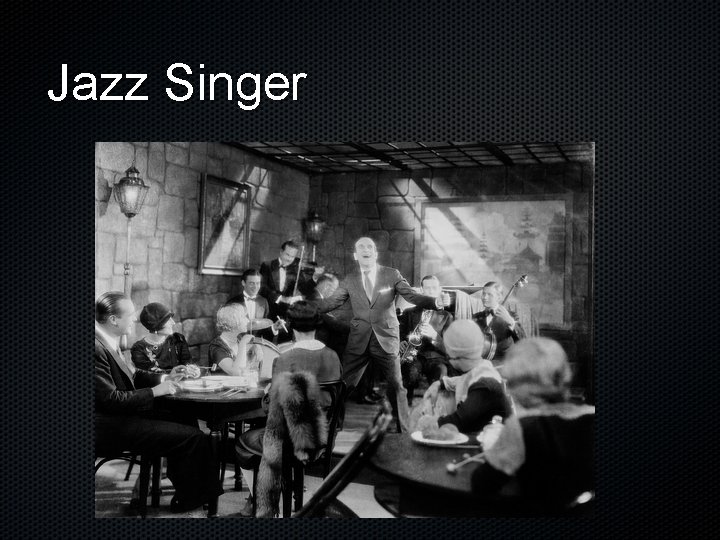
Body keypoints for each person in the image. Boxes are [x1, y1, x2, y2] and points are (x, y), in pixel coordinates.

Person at [94, 291, 219, 513]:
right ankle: (194, 499)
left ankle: (189, 492)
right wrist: (154, 391)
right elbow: (111, 400)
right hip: (111, 426)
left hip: (122, 416)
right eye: (130, 315)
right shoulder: (97, 347)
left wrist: (166, 378)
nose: (135, 319)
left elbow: (132, 377)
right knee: (193, 437)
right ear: (113, 319)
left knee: (185, 417)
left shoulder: (106, 340)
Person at [316, 237, 449, 432]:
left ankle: (404, 433)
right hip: (359, 340)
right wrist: (304, 306)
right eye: (361, 247)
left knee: (397, 386)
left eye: (370, 246)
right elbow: (331, 302)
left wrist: (434, 302)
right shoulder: (350, 279)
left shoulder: (391, 274)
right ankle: (332, 429)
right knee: (343, 385)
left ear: (376, 253)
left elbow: (411, 295)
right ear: (356, 255)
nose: (366, 249)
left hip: (386, 340)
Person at [234, 301, 343, 515]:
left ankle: (259, 503)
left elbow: (272, 412)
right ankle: (265, 500)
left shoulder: (286, 359)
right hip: (324, 437)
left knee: (243, 442)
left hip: (292, 442)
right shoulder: (333, 355)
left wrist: (268, 393)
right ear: (317, 325)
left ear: (291, 326)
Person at [471, 337, 595, 513]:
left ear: (524, 385)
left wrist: (497, 451)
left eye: (511, 382)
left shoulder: (522, 427)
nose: (509, 389)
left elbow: (482, 484)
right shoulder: (592, 414)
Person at [413, 320, 512, 433]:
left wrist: (427, 423)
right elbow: (460, 380)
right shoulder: (480, 369)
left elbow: (459, 421)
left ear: (456, 357)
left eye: (448, 355)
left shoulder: (485, 385)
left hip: (492, 440)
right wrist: (438, 384)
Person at [399, 275, 456, 405]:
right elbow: (400, 334)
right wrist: (401, 342)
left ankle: (436, 408)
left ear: (439, 290)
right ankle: (405, 407)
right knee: (410, 373)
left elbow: (449, 347)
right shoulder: (408, 312)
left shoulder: (447, 316)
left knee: (441, 373)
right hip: (414, 356)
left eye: (434, 288)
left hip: (436, 359)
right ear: (421, 290)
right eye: (427, 288)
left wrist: (434, 336)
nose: (431, 291)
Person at [259, 240, 323, 318]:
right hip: (269, 311)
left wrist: (314, 277)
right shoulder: (267, 265)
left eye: (292, 257)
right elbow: (262, 288)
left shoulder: (296, 269)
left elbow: (304, 289)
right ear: (281, 252)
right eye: (287, 255)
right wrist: (281, 298)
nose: (289, 259)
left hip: (288, 313)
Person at [472, 281, 525, 364]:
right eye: (483, 294)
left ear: (499, 297)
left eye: (489, 294)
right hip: (481, 362)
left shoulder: (512, 316)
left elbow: (523, 341)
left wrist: (511, 322)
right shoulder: (476, 317)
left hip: (504, 363)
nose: (485, 297)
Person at [130, 302, 193, 371]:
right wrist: (169, 375)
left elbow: (187, 364)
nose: (173, 322)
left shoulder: (178, 340)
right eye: (168, 320)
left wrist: (191, 369)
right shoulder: (139, 349)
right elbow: (147, 375)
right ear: (156, 326)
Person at [225, 268, 276, 341]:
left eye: (258, 283)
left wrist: (274, 328)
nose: (255, 287)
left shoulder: (263, 302)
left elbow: (265, 328)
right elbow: (228, 330)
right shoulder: (232, 303)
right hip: (237, 344)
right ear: (243, 283)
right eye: (252, 283)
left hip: (257, 345)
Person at [207, 304, 254, 375]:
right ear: (232, 321)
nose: (247, 321)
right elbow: (235, 372)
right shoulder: (216, 347)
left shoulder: (238, 339)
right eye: (244, 317)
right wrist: (243, 344)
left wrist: (255, 349)